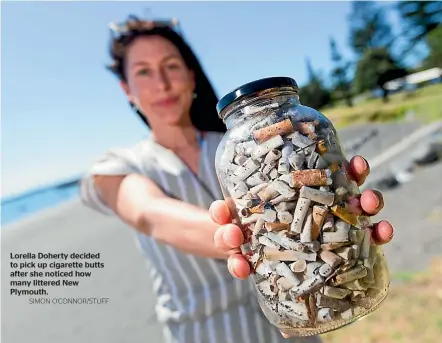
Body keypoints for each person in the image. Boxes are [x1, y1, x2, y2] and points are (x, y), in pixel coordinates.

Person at [79, 15, 394, 343]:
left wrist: (339, 219)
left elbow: (313, 185)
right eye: (143, 71)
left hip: (301, 315)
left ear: (190, 76)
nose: (161, 82)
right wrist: (273, 243)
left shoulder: (245, 146)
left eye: (171, 66)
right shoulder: (117, 165)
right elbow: (148, 214)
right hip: (206, 334)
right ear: (127, 89)